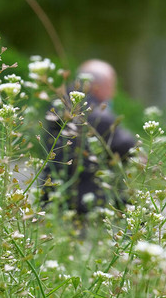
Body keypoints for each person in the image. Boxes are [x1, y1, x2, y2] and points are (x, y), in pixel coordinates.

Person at [43, 59, 135, 215]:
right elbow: (128, 146)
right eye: (112, 86)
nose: (114, 93)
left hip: (51, 194)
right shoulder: (98, 116)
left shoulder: (58, 104)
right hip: (85, 199)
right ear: (97, 86)